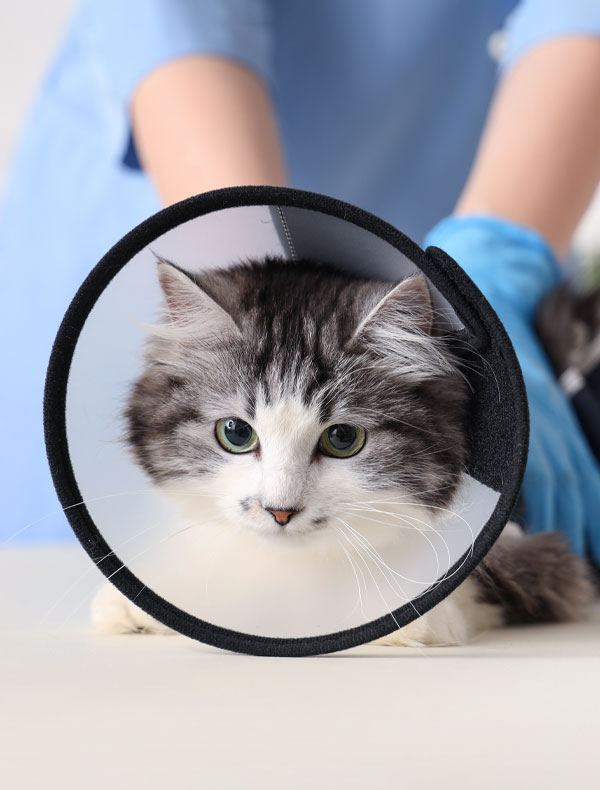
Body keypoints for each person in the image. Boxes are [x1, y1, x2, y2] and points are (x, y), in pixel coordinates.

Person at [1, 0, 599, 562]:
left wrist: (498, 259)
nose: (278, 502)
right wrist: (243, 237)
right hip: (182, 197)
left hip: (471, 194)